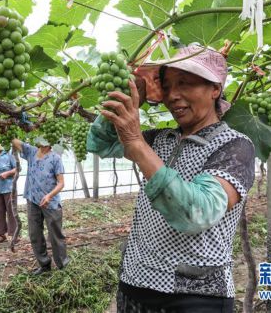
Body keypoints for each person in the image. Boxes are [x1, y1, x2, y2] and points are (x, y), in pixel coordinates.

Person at [87, 44, 256, 312]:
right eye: (167, 86)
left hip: (193, 297)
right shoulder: (161, 140)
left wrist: (137, 143)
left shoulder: (234, 145)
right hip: (134, 285)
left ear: (215, 89)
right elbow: (101, 144)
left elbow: (197, 213)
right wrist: (135, 96)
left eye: (185, 84)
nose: (173, 96)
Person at [11, 136, 69, 275]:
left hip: (50, 203)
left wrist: (49, 196)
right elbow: (15, 140)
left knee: (56, 235)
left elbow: (61, 183)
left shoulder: (55, 158)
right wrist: (16, 121)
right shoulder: (31, 152)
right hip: (33, 200)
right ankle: (44, 265)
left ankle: (62, 266)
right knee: (35, 234)